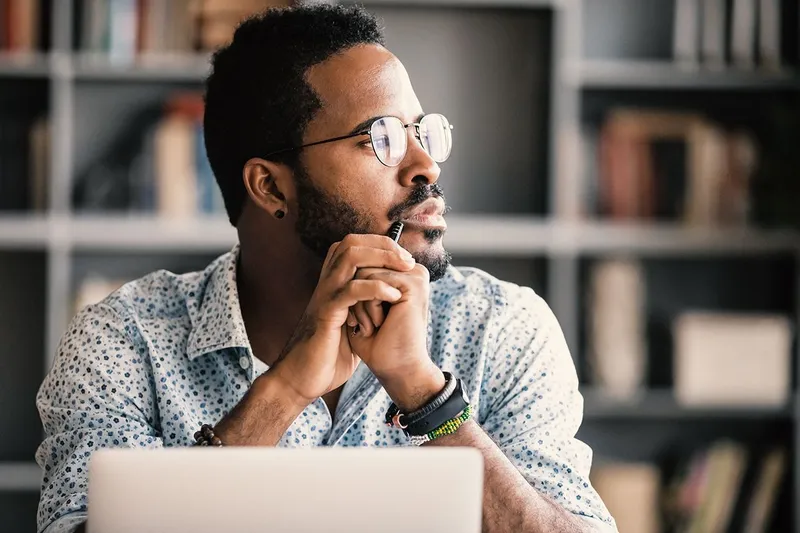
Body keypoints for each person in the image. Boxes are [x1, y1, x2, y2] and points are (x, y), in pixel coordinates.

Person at [35, 4, 617, 533]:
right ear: (270, 186)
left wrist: (426, 396)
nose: (424, 166)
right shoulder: (123, 341)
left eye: (422, 133)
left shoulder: (503, 326)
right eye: (380, 138)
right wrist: (283, 390)